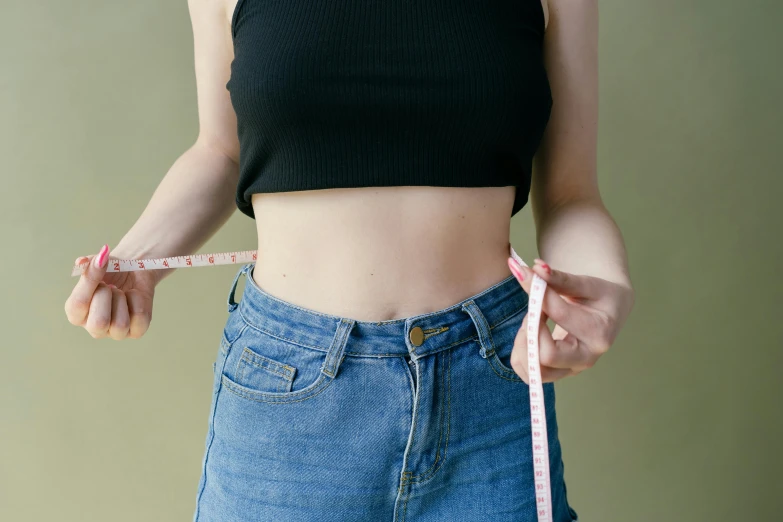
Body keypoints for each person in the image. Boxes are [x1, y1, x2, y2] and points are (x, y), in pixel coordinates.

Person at [64, 0, 634, 520]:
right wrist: (139, 259)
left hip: (490, 383)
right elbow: (220, 151)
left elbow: (570, 195)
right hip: (287, 392)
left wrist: (605, 289)